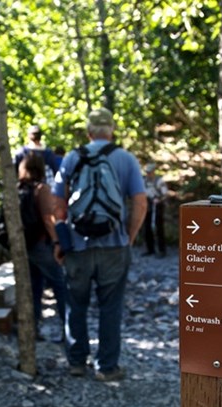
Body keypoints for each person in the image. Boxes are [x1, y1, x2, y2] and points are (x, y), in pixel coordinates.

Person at [51, 107, 147, 382]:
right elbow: (140, 202)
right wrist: (129, 236)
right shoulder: (126, 159)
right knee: (110, 307)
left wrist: (61, 240)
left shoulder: (72, 157)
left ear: (89, 132)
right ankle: (106, 367)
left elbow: (58, 204)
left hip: (78, 246)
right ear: (112, 130)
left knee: (75, 305)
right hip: (114, 245)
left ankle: (77, 362)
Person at [18, 153, 67, 342]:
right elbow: (48, 219)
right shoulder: (41, 189)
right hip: (41, 244)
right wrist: (57, 242)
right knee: (60, 286)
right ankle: (68, 329)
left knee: (35, 287)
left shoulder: (19, 188)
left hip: (26, 245)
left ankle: (33, 330)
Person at [142, 162, 169, 258]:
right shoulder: (144, 181)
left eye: (149, 172)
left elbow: (165, 194)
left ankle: (162, 250)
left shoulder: (159, 181)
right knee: (147, 227)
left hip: (158, 205)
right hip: (148, 205)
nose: (148, 174)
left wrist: (159, 200)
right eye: (147, 172)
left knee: (158, 227)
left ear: (153, 171)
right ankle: (150, 249)